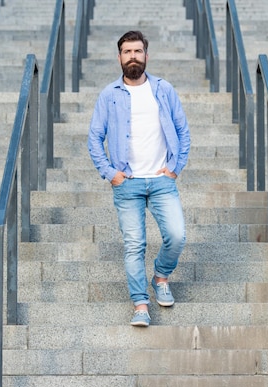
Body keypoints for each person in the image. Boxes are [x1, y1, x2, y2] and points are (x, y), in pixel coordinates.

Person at [87, 30, 191, 327]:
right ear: (119, 57)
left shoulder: (164, 89)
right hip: (127, 182)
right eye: (127, 52)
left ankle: (160, 276)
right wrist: (110, 173)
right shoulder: (109, 95)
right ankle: (141, 304)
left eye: (137, 51)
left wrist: (175, 167)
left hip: (162, 180)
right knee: (134, 245)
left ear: (147, 55)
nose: (133, 56)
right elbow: (95, 138)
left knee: (177, 235)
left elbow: (183, 131)